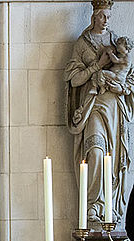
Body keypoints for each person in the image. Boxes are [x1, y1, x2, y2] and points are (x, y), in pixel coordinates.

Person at [65, 1, 133, 225]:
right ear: (94, 17)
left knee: (112, 159)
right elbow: (74, 79)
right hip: (92, 107)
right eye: (102, 16)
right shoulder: (82, 44)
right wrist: (97, 65)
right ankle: (93, 206)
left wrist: (121, 87)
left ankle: (110, 208)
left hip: (114, 108)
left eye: (108, 17)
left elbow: (129, 78)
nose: (106, 20)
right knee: (95, 152)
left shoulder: (117, 42)